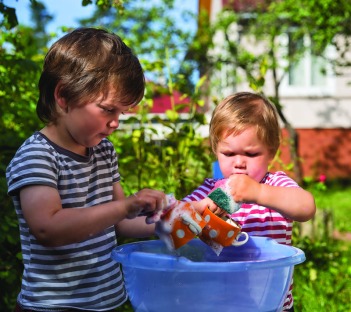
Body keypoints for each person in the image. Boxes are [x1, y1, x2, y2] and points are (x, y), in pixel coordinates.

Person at [6, 27, 171, 312]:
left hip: (105, 303)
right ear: (64, 96)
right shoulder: (37, 155)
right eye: (108, 109)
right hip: (51, 306)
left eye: (121, 113)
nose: (116, 122)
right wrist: (124, 206)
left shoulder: (103, 152)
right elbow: (49, 228)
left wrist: (163, 223)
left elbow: (119, 222)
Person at [184, 91, 316, 312]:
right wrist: (201, 209)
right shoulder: (210, 190)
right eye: (228, 153)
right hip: (221, 303)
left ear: (271, 152)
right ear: (216, 151)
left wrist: (258, 193)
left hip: (273, 304)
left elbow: (306, 207)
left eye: (251, 154)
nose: (239, 163)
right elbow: (177, 222)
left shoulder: (274, 184)